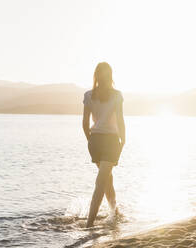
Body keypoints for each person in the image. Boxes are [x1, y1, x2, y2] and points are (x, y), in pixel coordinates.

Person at [82, 62, 126, 228]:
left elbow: (85, 124)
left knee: (107, 179)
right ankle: (89, 224)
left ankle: (114, 211)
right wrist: (123, 140)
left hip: (96, 141)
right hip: (109, 141)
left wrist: (90, 140)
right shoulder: (116, 95)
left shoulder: (89, 95)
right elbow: (120, 121)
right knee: (102, 181)